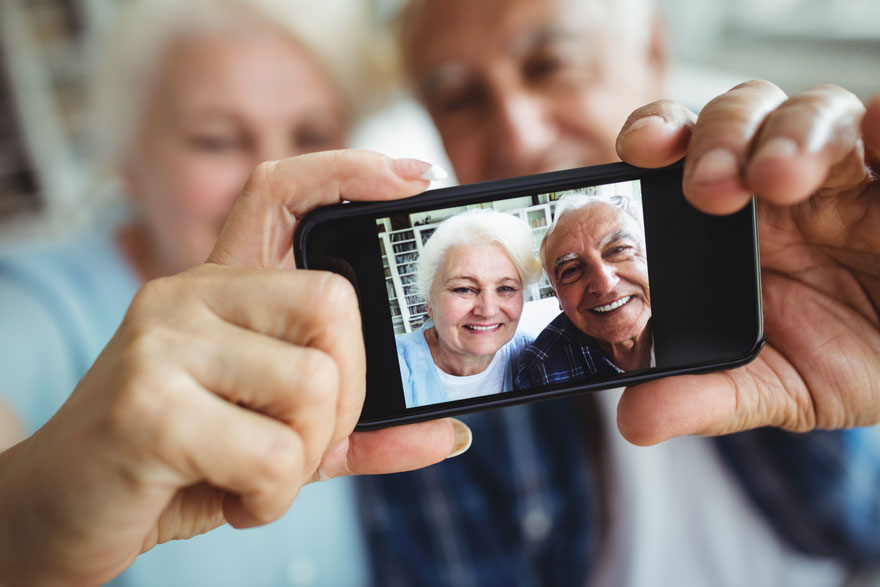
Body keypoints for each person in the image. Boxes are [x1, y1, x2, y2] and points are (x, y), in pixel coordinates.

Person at [357, 0, 880, 585]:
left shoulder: (794, 232)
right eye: (460, 99)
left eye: (552, 63)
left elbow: (863, 526)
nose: (518, 132)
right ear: (550, 287)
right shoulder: (479, 379)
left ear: (654, 54)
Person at [0, 0, 464, 584]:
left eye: (311, 133)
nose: (272, 173)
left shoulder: (373, 301)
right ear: (128, 160)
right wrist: (21, 531)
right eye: (216, 140)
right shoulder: (29, 307)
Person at [397, 210, 541, 407]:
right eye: (464, 289)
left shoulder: (537, 357)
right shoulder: (394, 366)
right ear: (429, 301)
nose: (488, 310)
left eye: (506, 288)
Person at [515, 193, 653, 389]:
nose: (605, 284)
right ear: (557, 296)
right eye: (571, 270)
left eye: (618, 250)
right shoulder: (540, 369)